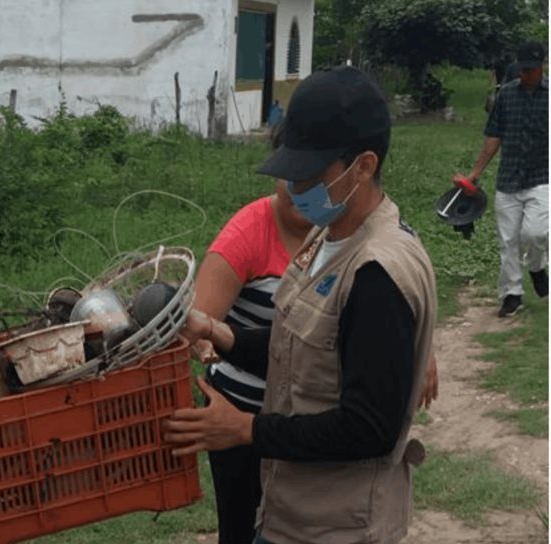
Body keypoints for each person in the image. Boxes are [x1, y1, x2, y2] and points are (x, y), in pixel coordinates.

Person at [166, 66, 437, 544]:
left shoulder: (376, 273)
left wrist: (247, 429)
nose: (295, 186)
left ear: (365, 166)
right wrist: (221, 333)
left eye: (310, 173)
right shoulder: (327, 237)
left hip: (338, 526)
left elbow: (369, 426)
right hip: (291, 513)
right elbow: (307, 349)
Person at [456, 41, 548, 318]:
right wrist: (475, 173)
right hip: (508, 178)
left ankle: (535, 266)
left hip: (542, 177)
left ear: (542, 66)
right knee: (507, 240)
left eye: (530, 69)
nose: (525, 74)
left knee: (535, 233)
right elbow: (494, 136)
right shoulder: (506, 96)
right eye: (522, 69)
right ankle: (512, 294)